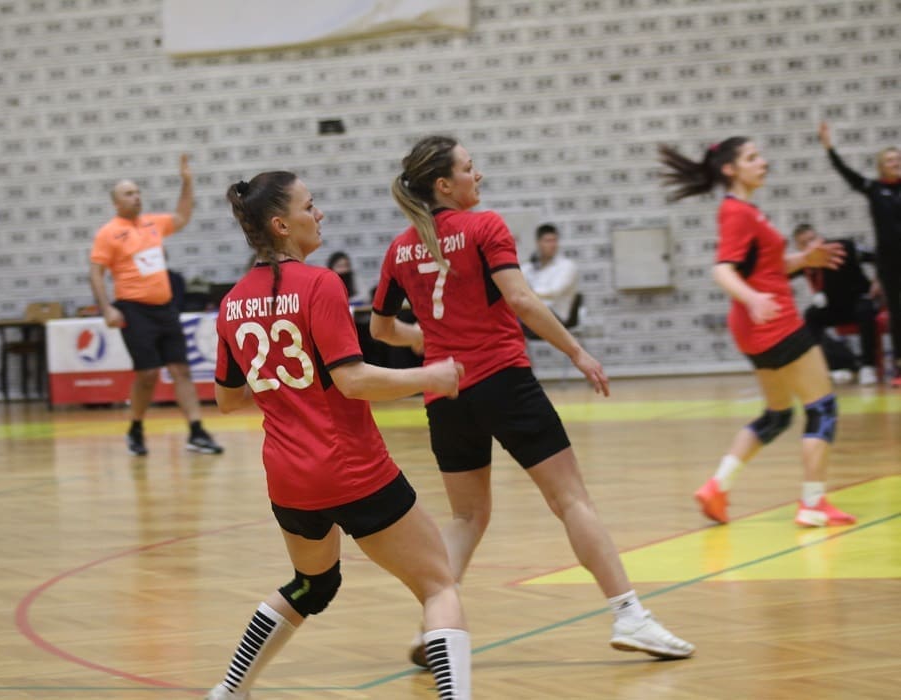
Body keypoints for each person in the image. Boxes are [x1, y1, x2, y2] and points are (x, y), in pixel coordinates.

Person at [371, 135, 694, 666]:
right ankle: (630, 616)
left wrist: (423, 339)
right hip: (502, 379)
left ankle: (434, 628)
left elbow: (381, 329)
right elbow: (520, 299)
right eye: (469, 168)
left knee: (467, 517)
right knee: (571, 500)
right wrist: (577, 352)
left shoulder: (399, 249)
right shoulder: (484, 226)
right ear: (444, 184)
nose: (479, 175)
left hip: (445, 392)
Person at [205, 171, 471, 700]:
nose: (319, 213)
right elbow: (353, 381)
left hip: (288, 477)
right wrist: (432, 377)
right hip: (351, 467)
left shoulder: (232, 303)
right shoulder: (321, 284)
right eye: (309, 206)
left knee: (312, 585)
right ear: (281, 225)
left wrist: (286, 389)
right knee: (439, 583)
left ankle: (229, 691)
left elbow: (227, 399)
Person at [658, 136, 857, 528]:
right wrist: (752, 298)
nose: (763, 162)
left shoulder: (746, 211)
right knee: (822, 407)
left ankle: (717, 487)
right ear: (730, 169)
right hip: (774, 321)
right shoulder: (737, 212)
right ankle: (813, 503)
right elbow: (722, 270)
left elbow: (766, 267)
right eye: (752, 158)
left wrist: (804, 259)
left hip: (755, 328)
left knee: (778, 415)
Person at [89, 154, 223, 457]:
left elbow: (182, 216)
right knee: (148, 374)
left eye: (137, 192)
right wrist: (106, 308)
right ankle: (135, 428)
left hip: (165, 308)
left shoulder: (153, 224)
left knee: (181, 370)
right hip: (133, 309)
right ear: (116, 202)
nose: (136, 197)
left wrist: (187, 183)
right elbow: (96, 272)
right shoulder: (108, 232)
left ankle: (196, 431)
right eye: (128, 193)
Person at [818, 122, 901, 387]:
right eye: (890, 160)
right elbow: (847, 173)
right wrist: (829, 148)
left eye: (898, 158)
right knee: (897, 313)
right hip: (889, 262)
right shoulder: (873, 188)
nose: (896, 162)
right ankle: (899, 368)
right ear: (881, 166)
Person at [791, 224, 880, 385]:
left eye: (812, 239)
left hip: (858, 300)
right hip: (834, 308)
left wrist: (878, 280)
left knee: (864, 310)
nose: (811, 245)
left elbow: (878, 257)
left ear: (820, 238)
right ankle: (831, 366)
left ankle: (868, 366)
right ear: (798, 248)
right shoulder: (804, 262)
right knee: (811, 315)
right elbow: (781, 275)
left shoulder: (843, 247)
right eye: (804, 243)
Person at [520, 223, 579, 324]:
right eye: (548, 241)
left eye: (554, 240)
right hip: (532, 312)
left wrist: (525, 294)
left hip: (556, 317)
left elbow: (552, 292)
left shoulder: (567, 266)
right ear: (538, 243)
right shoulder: (529, 267)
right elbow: (516, 286)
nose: (552, 245)